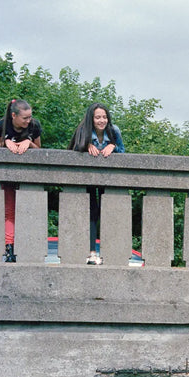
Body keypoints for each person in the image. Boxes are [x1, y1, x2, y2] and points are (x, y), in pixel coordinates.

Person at [68, 103, 126, 264]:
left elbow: (123, 152)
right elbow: (72, 150)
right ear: (91, 119)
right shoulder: (83, 130)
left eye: (104, 117)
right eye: (98, 117)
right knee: (91, 212)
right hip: (87, 177)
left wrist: (112, 146)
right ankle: (91, 251)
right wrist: (86, 145)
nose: (102, 120)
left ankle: (107, 251)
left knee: (106, 211)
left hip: (107, 177)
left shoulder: (114, 131)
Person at [0, 98, 43, 262]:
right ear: (14, 116)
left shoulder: (34, 126)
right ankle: (9, 247)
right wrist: (5, 142)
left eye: (30, 117)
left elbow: (40, 150)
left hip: (28, 176)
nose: (28, 120)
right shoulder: (1, 125)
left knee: (27, 212)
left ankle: (26, 245)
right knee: (9, 212)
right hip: (7, 175)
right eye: (25, 118)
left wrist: (28, 143)